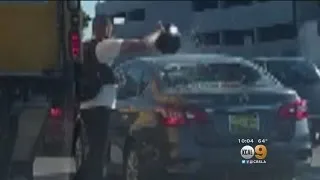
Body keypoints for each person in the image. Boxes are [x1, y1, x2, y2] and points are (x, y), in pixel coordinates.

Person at [74, 15, 164, 180]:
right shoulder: (105, 46)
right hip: (99, 110)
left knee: (96, 154)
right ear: (106, 28)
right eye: (109, 28)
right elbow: (142, 44)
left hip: (89, 108)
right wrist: (157, 33)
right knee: (97, 157)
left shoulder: (87, 47)